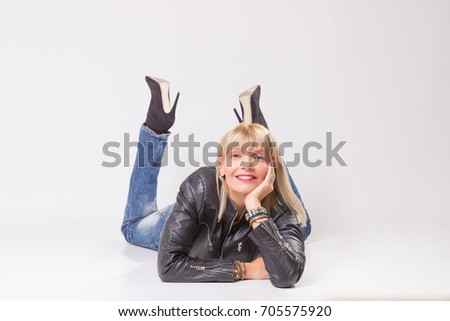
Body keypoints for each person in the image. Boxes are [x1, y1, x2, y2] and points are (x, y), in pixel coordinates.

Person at [121, 76, 311, 288]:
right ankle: (155, 129)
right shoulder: (199, 187)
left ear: (271, 168)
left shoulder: (280, 209)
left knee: (302, 225)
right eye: (236, 155)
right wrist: (243, 269)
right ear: (221, 166)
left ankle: (260, 132)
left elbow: (287, 275)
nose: (247, 163)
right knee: (132, 227)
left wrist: (255, 208)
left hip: (256, 199)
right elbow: (168, 266)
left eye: (257, 156)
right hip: (192, 215)